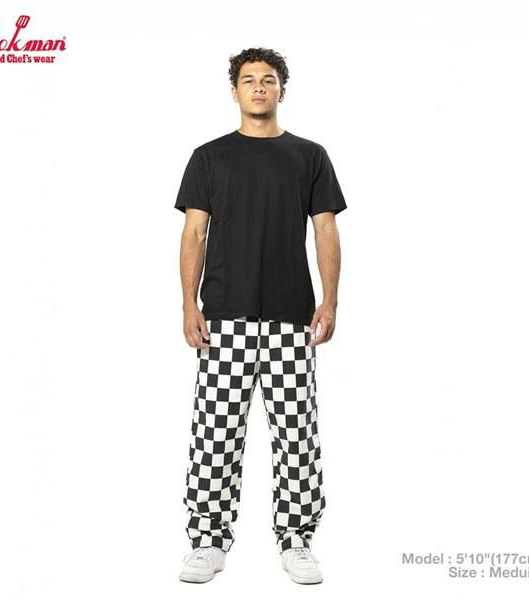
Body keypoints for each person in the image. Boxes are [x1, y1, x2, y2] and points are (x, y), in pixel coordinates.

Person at [174, 47, 347, 585]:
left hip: (292, 319)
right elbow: (194, 232)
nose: (258, 87)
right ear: (234, 91)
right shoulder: (209, 157)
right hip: (224, 317)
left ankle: (297, 539)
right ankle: (208, 538)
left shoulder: (310, 156)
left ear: (281, 90)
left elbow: (325, 228)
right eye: (248, 79)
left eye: (267, 80)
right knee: (215, 432)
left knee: (298, 434)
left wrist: (329, 300)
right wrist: (188, 303)